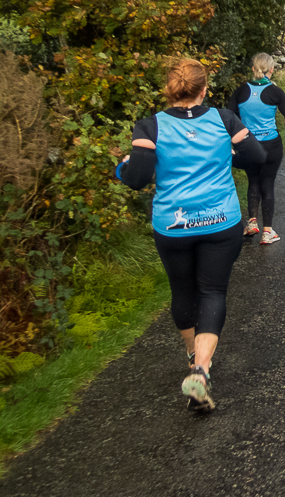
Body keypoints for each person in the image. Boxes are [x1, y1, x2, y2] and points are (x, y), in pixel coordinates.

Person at [115, 58, 265, 411]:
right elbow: (256, 157)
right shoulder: (224, 120)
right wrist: (231, 153)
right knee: (212, 291)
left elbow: (137, 178)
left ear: (169, 90)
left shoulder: (150, 127)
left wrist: (120, 166)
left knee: (182, 291)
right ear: (204, 89)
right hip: (220, 222)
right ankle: (201, 369)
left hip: (174, 225)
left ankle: (193, 359)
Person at [230, 52, 285, 245]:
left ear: (253, 69)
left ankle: (252, 223)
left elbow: (230, 116)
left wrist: (236, 139)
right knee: (267, 184)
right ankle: (268, 232)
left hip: (248, 145)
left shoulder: (241, 91)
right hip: (271, 145)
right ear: (272, 70)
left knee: (253, 180)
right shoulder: (276, 92)